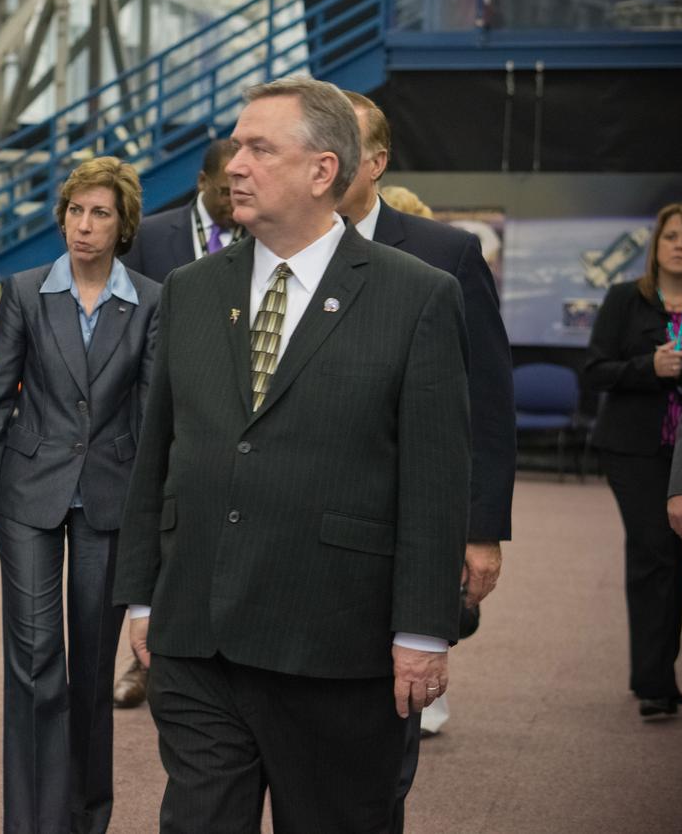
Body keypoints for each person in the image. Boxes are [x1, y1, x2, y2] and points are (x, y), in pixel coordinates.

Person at [113, 76, 470, 834]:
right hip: (199, 638)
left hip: (337, 645)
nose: (235, 164)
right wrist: (143, 596)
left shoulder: (418, 297)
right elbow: (159, 451)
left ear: (323, 171)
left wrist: (423, 631)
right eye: (236, 145)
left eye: (260, 148)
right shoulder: (190, 290)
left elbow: (436, 480)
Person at [0, 157, 160, 834]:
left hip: (110, 495)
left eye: (100, 212)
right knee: (36, 662)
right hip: (28, 496)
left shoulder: (152, 302)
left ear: (122, 223)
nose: (84, 224)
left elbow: (156, 412)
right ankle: (35, 823)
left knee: (93, 673)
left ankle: (85, 816)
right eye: (75, 210)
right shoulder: (23, 292)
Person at [338, 92, 516, 831]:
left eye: (338, 142)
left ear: (375, 162)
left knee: (383, 741)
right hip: (303, 529)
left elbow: (488, 398)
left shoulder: (445, 253)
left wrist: (482, 527)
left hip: (406, 523)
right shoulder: (265, 248)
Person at [112, 138, 243, 708]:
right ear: (201, 181)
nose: (230, 200)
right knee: (149, 530)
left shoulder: (258, 235)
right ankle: (140, 660)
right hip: (151, 408)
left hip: (224, 417)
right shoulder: (152, 237)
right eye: (221, 190)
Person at [588, 202, 682, 720]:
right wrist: (647, 366)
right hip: (635, 450)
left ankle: (661, 672)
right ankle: (654, 682)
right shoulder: (626, 298)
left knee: (679, 558)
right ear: (656, 246)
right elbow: (595, 368)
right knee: (655, 553)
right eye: (670, 235)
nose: (679, 244)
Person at [119, 138, 243, 283]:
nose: (235, 203)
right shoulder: (147, 235)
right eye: (226, 193)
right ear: (202, 181)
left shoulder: (262, 237)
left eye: (242, 194)